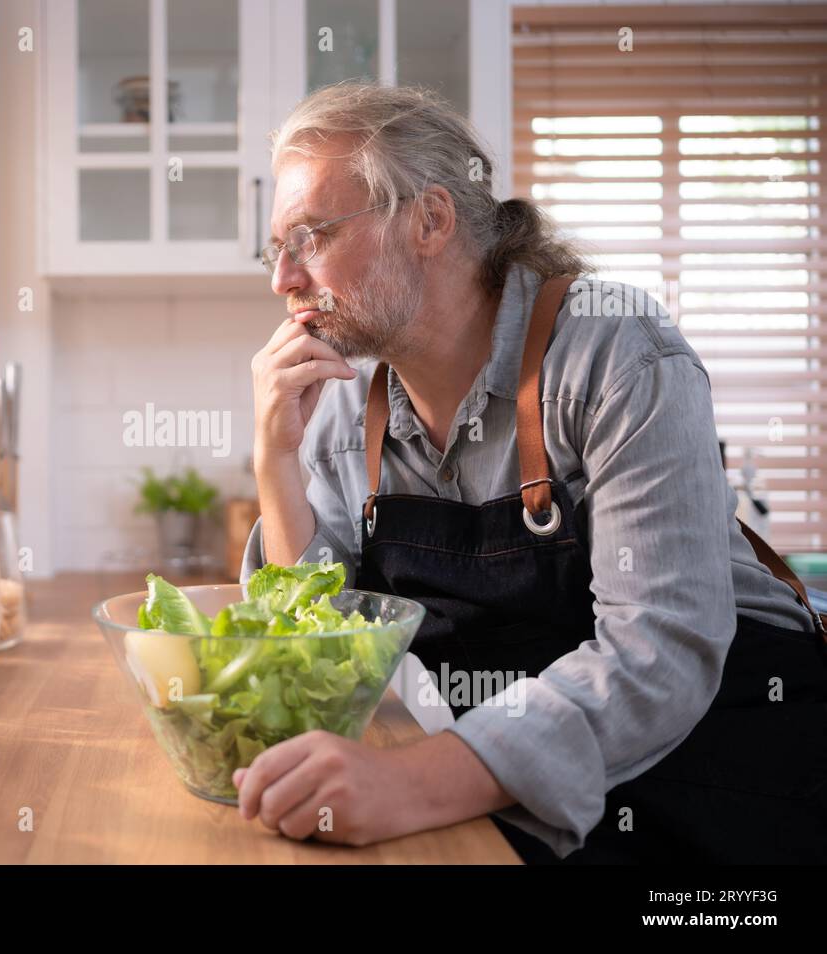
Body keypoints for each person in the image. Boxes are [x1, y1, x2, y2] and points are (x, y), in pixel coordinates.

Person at [237, 82, 827, 863]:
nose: (284, 279)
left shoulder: (617, 351)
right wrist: (275, 463)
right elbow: (327, 661)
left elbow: (661, 649)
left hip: (723, 775)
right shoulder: (348, 413)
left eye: (309, 236)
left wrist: (409, 784)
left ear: (430, 220)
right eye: (276, 248)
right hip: (519, 779)